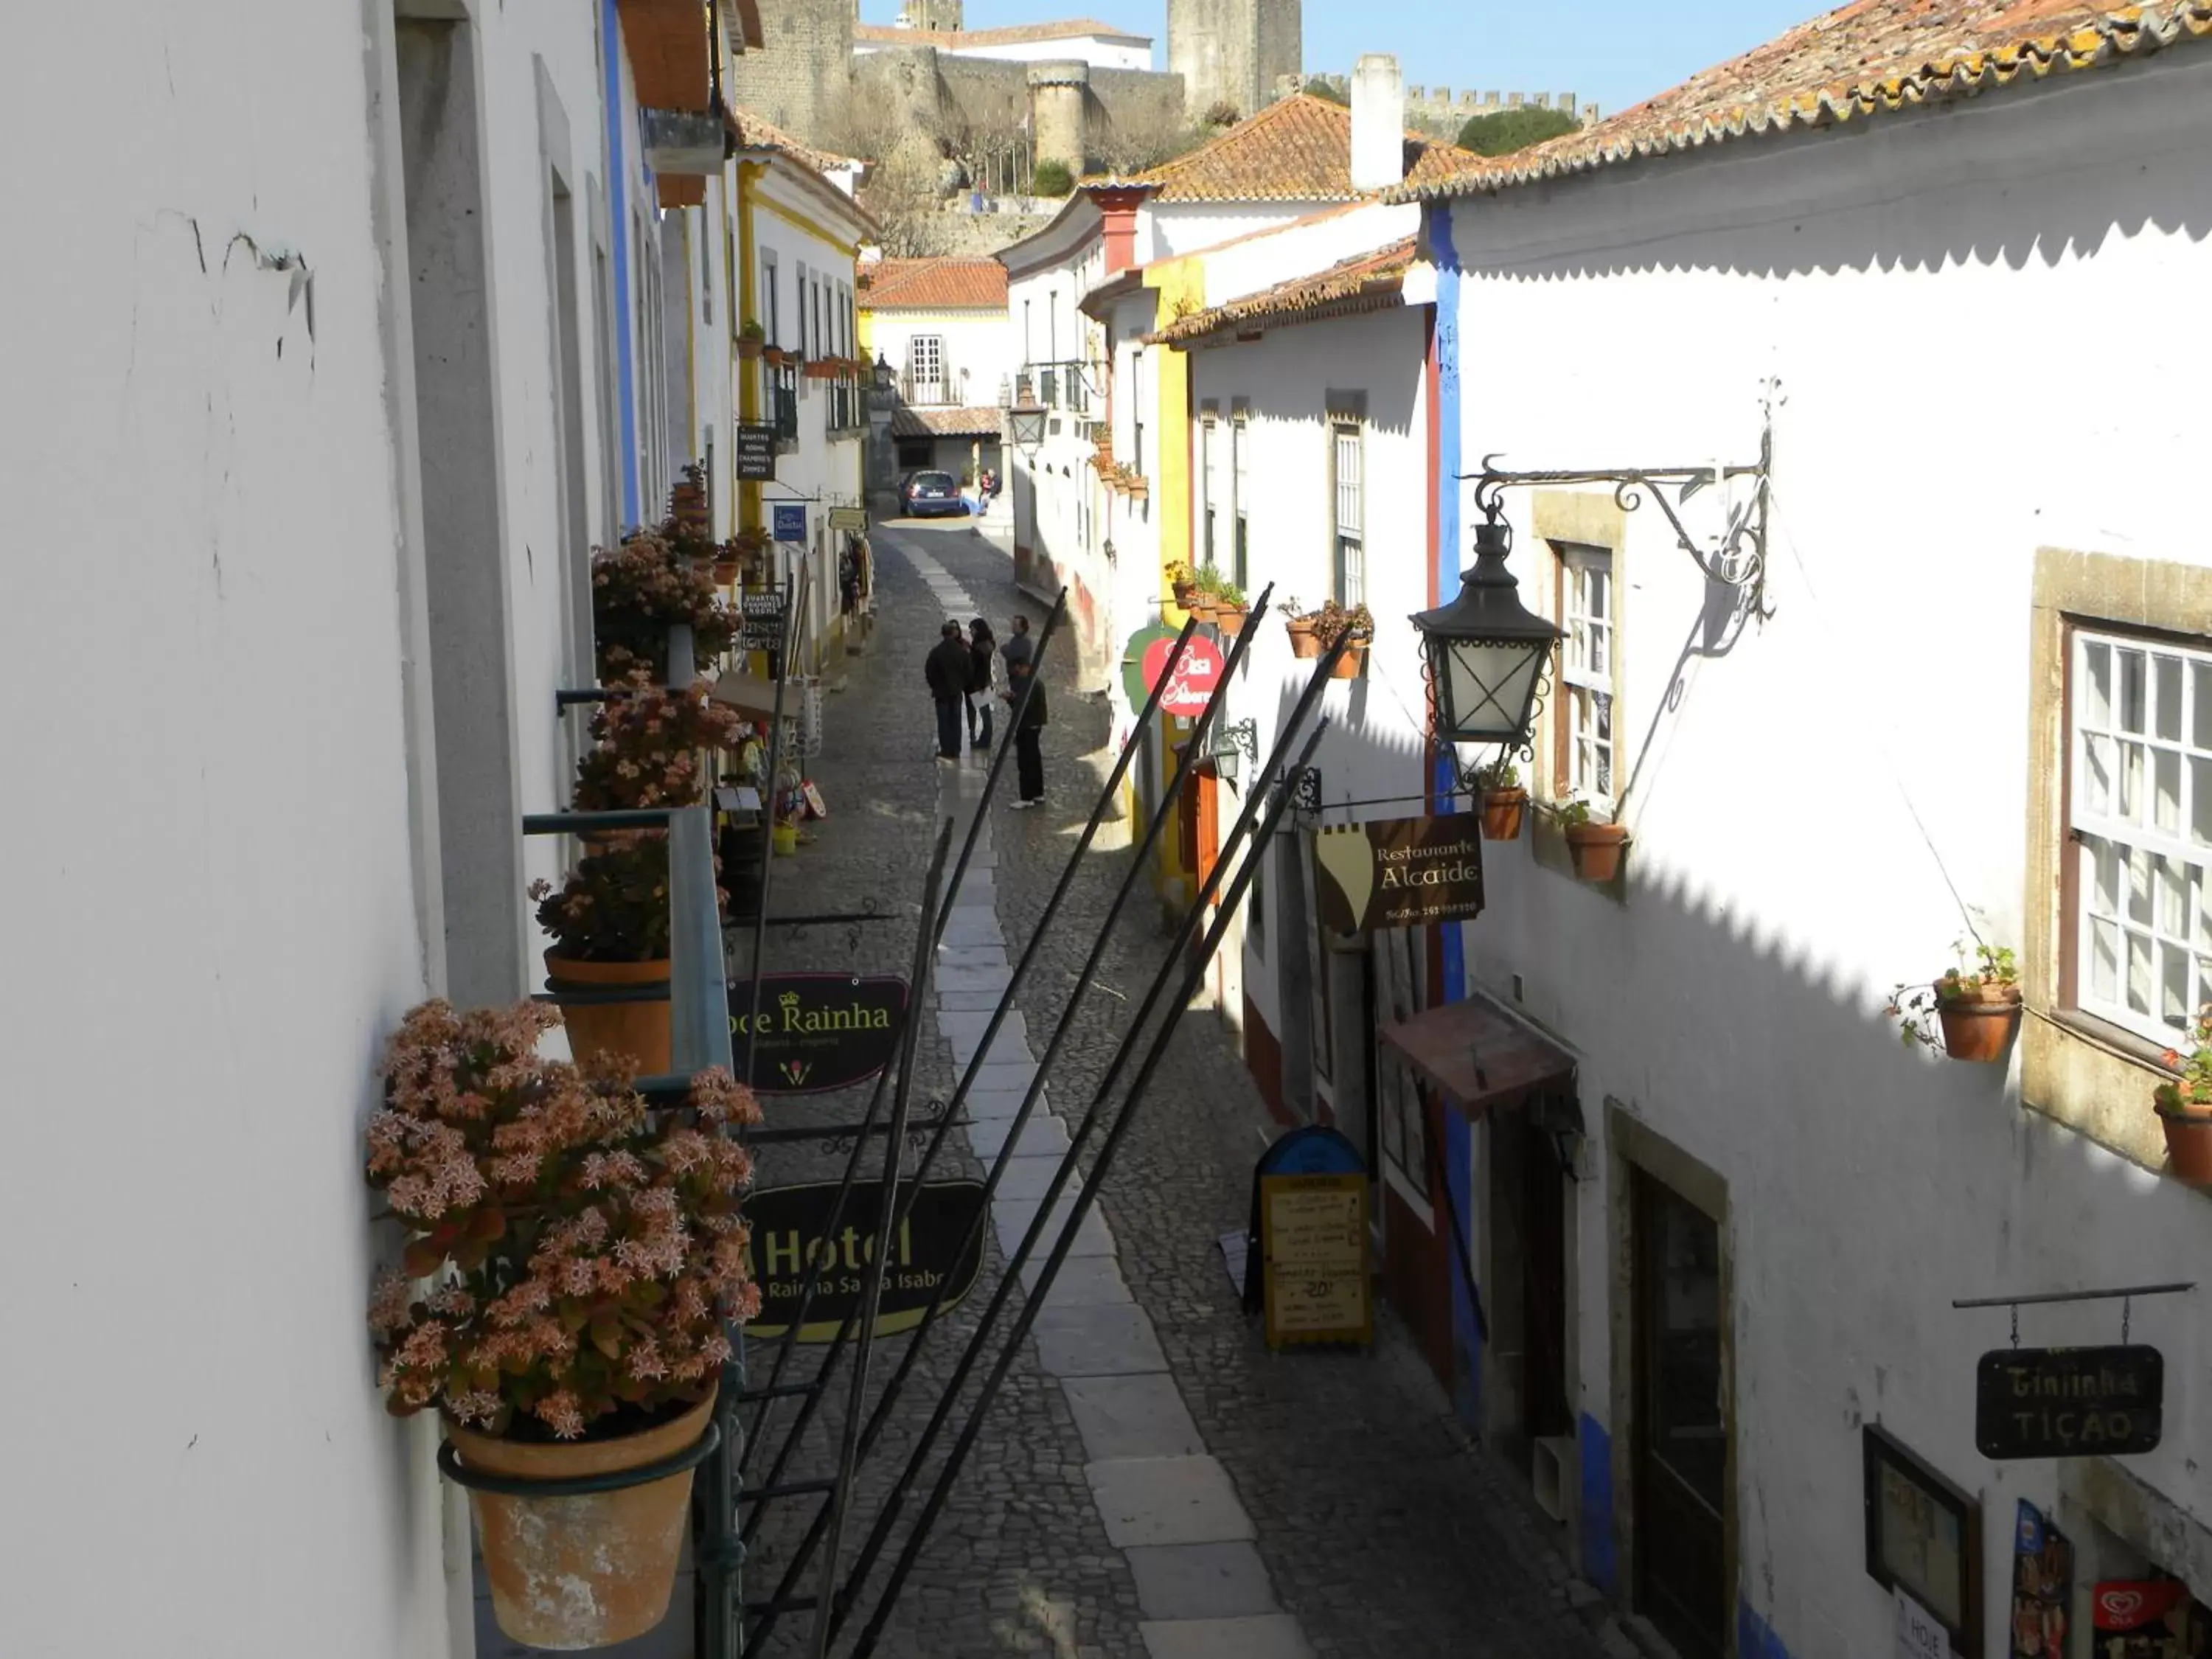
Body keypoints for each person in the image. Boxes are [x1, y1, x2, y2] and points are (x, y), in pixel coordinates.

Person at [1004, 647, 1047, 808]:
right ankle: (1038, 793)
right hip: (1035, 725)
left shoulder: (1029, 684)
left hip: (1027, 726)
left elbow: (1023, 707)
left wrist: (1010, 698)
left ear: (1023, 668)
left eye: (1018, 669)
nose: (1017, 672)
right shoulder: (1035, 682)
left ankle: (1026, 797)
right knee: (1035, 761)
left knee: (1025, 762)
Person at [924, 619, 970, 763]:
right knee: (956, 720)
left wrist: (935, 686)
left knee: (943, 721)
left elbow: (929, 672)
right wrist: (962, 684)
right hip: (956, 691)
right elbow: (969, 671)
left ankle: (946, 749)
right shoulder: (961, 652)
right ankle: (956, 749)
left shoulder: (937, 652)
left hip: (941, 691)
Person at [966, 617, 998, 752]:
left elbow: (980, 667)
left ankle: (985, 741)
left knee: (985, 716)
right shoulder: (986, 644)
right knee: (986, 715)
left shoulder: (980, 647)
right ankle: (984, 740)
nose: (971, 632)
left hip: (980, 684)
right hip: (985, 683)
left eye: (972, 629)